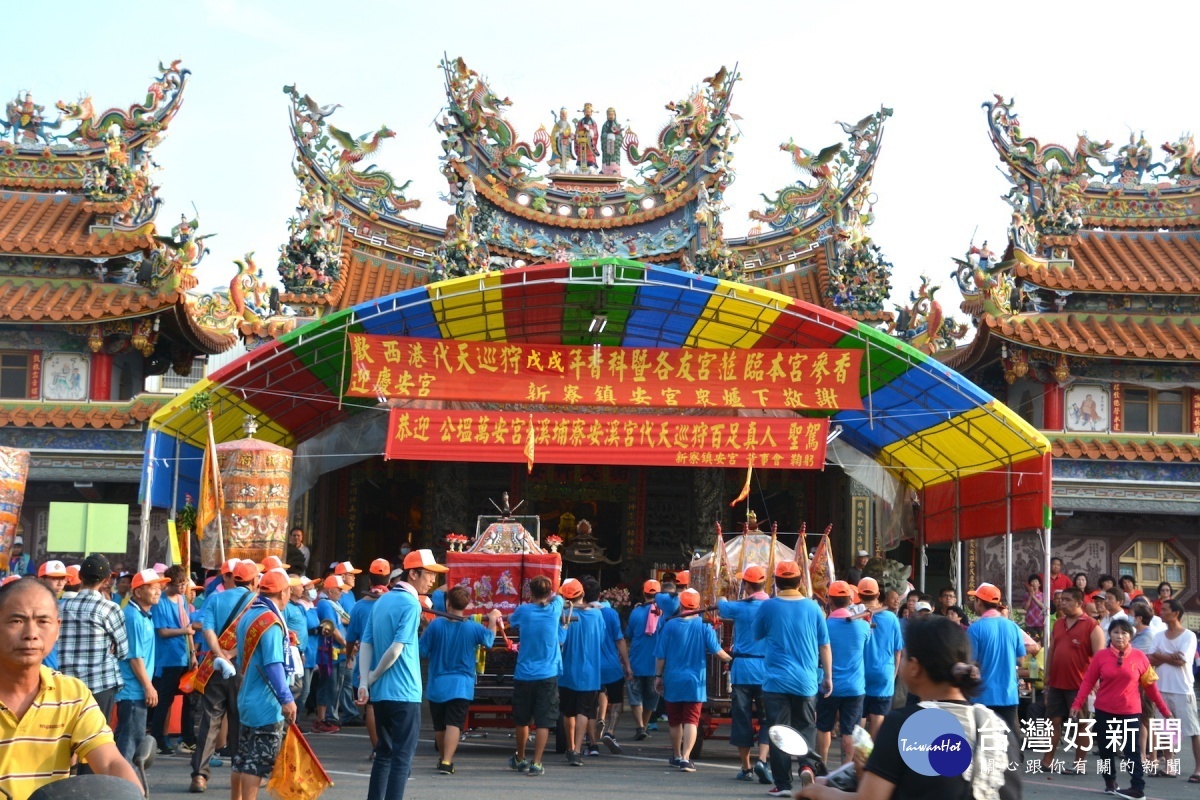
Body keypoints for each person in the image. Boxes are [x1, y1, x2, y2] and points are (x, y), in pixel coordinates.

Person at [797, 614, 1022, 800]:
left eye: (903, 656)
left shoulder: (905, 723)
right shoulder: (998, 726)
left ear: (914, 667)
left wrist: (819, 792)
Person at [0, 578, 141, 798]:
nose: (31, 633)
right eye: (16, 621)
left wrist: (132, 794)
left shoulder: (72, 695)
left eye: (42, 621)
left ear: (57, 628)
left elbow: (110, 762)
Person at [358, 548, 446, 800]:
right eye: (429, 574)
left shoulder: (382, 600)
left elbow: (367, 643)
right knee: (401, 759)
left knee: (384, 754)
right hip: (404, 693)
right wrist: (371, 677)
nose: (432, 580)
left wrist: (365, 680)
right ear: (414, 573)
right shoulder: (410, 604)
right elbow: (397, 648)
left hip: (382, 694)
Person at [753, 560, 831, 797]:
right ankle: (807, 766)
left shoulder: (768, 607)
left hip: (776, 681)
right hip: (806, 681)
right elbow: (824, 645)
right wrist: (828, 677)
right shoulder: (814, 607)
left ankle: (783, 784)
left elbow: (758, 635)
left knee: (780, 731)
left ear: (776, 582)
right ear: (800, 581)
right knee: (806, 726)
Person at [1072, 618, 1171, 798]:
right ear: (1109, 634)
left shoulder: (1140, 657)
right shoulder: (1101, 657)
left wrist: (1165, 711)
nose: (1120, 636)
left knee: (1132, 751)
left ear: (1130, 636)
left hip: (1130, 712)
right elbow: (1087, 682)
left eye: (1124, 633)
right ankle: (1110, 782)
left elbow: (1151, 687)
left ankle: (1137, 788)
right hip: (1104, 710)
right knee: (1106, 750)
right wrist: (1077, 703)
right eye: (1116, 632)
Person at [190, 559, 259, 794]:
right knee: (240, 723)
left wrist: (219, 654)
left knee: (210, 722)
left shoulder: (216, 599)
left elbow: (206, 628)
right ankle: (238, 778)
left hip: (216, 668)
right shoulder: (257, 603)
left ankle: (199, 775)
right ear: (254, 580)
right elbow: (254, 636)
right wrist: (231, 653)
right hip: (243, 669)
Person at [418, 585, 500, 774]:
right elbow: (488, 641)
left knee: (440, 726)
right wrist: (493, 621)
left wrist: (424, 628)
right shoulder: (473, 627)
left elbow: (422, 651)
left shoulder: (436, 625)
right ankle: (447, 760)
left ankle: (442, 758)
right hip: (461, 685)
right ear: (467, 605)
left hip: (438, 683)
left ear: (447, 603)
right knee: (454, 724)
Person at [233, 568, 298, 800]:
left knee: (242, 758)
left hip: (247, 697)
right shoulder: (270, 622)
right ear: (283, 592)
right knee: (258, 762)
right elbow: (273, 664)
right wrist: (287, 699)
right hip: (265, 703)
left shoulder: (249, 615)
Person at [655, 588, 731, 772]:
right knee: (691, 720)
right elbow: (717, 652)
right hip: (695, 681)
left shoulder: (670, 625)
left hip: (673, 678)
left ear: (680, 604)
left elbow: (660, 656)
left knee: (675, 720)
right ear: (697, 605)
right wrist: (734, 659)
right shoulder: (703, 625)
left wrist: (657, 677)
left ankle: (676, 754)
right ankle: (686, 758)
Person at [505, 574, 564, 776]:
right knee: (543, 721)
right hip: (548, 674)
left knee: (522, 720)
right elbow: (559, 597)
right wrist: (549, 597)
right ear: (547, 593)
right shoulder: (554, 610)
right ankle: (537, 762)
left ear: (530, 592)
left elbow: (511, 622)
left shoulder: (524, 611)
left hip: (524, 674)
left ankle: (520, 757)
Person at [718, 565, 772, 783]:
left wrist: (724, 593)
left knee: (742, 719)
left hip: (742, 670)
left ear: (747, 585)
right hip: (766, 670)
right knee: (767, 718)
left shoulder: (739, 607)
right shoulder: (771, 607)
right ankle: (763, 760)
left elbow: (721, 606)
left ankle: (746, 767)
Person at [59, 553, 128, 724]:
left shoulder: (60, 607)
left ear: (80, 577)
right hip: (100, 683)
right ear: (106, 580)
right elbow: (123, 651)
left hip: (66, 685)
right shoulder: (110, 608)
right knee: (95, 739)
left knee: (68, 737)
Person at [114, 568, 169, 764]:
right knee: (130, 744)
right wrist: (148, 687)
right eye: (152, 588)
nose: (158, 591)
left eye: (159, 587)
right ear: (137, 592)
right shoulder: (133, 617)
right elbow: (135, 658)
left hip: (135, 688)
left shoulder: (143, 614)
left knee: (126, 739)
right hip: (133, 690)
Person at [815, 581, 869, 765]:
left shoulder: (824, 625)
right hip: (854, 687)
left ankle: (821, 765)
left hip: (828, 685)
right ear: (850, 601)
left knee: (824, 727)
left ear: (830, 601)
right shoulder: (862, 626)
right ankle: (845, 769)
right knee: (849, 731)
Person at [966, 583, 1032, 733]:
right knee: (1009, 742)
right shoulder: (1013, 627)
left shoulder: (975, 628)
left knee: (985, 744)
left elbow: (971, 663)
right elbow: (1021, 660)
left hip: (982, 695)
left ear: (979, 602)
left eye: (975, 599)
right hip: (1008, 695)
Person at [1150, 599, 1200, 781]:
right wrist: (1168, 656)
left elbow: (1181, 661)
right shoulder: (1158, 635)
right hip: (1161, 687)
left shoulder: (1189, 636)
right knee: (1165, 728)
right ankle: (1169, 766)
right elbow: (1150, 659)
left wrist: (1160, 655)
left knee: (1193, 730)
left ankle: (1198, 769)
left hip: (1182, 689)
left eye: (1164, 609)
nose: (1160, 612)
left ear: (1176, 613)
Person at [345, 558, 391, 750]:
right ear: (389, 581)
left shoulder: (359, 606)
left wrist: (348, 656)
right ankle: (389, 744)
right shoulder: (393, 602)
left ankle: (377, 747)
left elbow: (351, 637)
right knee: (387, 704)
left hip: (366, 663)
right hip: (389, 660)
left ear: (369, 581)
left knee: (371, 706)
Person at [557, 577, 603, 766]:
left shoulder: (562, 615)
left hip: (567, 670)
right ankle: (576, 749)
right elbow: (601, 639)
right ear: (582, 594)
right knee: (584, 710)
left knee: (568, 712)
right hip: (590, 671)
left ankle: (569, 747)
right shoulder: (597, 615)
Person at [150, 565, 195, 755]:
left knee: (190, 700)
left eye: (184, 584)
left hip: (184, 655)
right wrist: (185, 631)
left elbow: (189, 626)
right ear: (169, 583)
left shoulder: (182, 599)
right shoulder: (160, 602)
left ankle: (188, 738)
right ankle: (159, 739)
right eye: (178, 585)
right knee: (164, 701)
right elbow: (162, 631)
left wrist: (193, 653)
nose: (182, 588)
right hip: (168, 658)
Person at [587, 576, 631, 756]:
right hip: (611, 666)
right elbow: (619, 640)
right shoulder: (611, 613)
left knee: (589, 706)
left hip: (589, 666)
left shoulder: (578, 613)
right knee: (617, 701)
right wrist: (627, 664)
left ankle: (592, 744)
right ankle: (610, 732)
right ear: (600, 595)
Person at [859, 577, 903, 738]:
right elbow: (898, 650)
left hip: (860, 671)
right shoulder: (891, 618)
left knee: (860, 713)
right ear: (878, 594)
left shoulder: (856, 616)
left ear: (859, 594)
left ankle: (854, 753)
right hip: (884, 672)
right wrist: (894, 673)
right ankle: (872, 755)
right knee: (878, 715)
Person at [624, 579, 661, 742]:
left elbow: (628, 635)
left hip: (637, 661)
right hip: (656, 663)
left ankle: (640, 726)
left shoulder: (636, 612)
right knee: (651, 698)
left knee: (635, 696)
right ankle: (642, 727)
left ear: (643, 593)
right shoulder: (663, 613)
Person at [312, 574, 349, 733]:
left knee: (333, 687)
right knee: (327, 686)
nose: (342, 593)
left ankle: (325, 718)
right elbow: (331, 628)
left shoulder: (334, 604)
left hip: (336, 652)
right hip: (329, 653)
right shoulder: (326, 605)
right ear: (330, 590)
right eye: (339, 589)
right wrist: (347, 643)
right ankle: (322, 719)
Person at [599, 107, 623, 175]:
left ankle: (615, 169)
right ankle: (604, 170)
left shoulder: (618, 125)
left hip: (614, 146)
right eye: (609, 114)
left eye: (612, 114)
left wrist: (615, 137)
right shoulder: (605, 125)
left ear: (615, 115)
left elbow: (620, 137)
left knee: (614, 157)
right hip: (607, 145)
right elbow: (602, 135)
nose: (611, 116)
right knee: (606, 157)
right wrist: (607, 135)